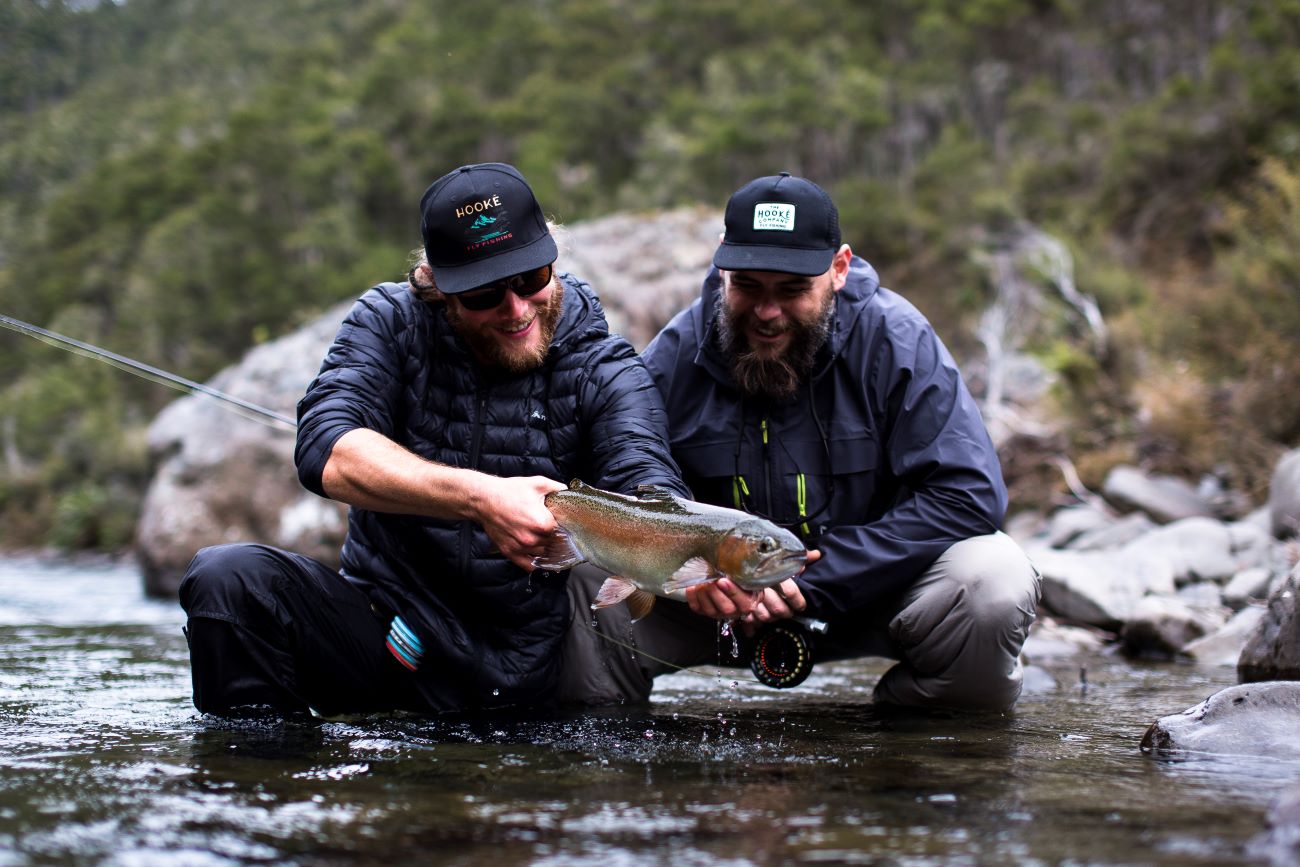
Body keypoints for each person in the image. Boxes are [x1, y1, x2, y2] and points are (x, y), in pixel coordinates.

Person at [177, 162, 691, 717]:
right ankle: (257, 788)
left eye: (530, 279)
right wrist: (481, 498)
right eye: (485, 294)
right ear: (437, 286)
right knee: (226, 580)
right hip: (384, 633)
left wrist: (702, 563)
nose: (516, 308)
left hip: (519, 673)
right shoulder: (389, 323)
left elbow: (648, 485)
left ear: (553, 260)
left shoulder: (605, 365)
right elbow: (326, 448)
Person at [640, 172, 1042, 712]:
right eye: (749, 286)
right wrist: (689, 576)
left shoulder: (897, 341)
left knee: (996, 577)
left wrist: (816, 577)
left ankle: (911, 748)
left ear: (839, 268)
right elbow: (631, 482)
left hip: (868, 598)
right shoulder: (674, 354)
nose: (766, 312)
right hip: (713, 607)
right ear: (721, 263)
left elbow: (968, 495)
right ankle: (601, 759)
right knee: (575, 587)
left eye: (791, 290)